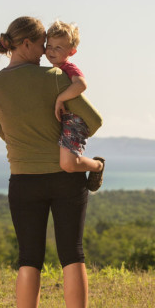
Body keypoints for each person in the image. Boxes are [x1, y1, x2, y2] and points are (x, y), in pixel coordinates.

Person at [0, 16, 104, 308]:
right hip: (66, 178)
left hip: (23, 179)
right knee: (72, 255)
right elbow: (93, 121)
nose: (46, 51)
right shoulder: (56, 77)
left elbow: (2, 131)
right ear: (25, 45)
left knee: (28, 260)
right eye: (41, 45)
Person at [45, 20, 105, 190]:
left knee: (68, 164)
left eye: (58, 47)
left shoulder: (69, 67)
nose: (52, 51)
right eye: (49, 45)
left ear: (72, 52)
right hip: (66, 119)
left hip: (75, 120)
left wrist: (60, 99)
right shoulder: (50, 71)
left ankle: (97, 166)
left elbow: (81, 85)